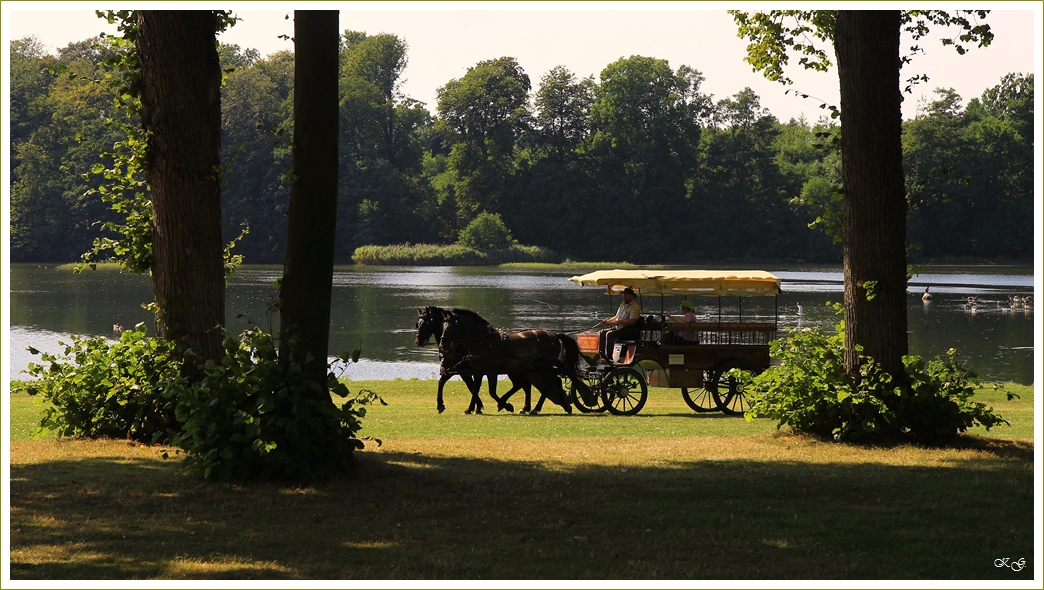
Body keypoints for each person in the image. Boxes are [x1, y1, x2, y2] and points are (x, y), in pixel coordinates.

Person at [599, 287, 642, 361]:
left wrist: (620, 322)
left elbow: (633, 321)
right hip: (619, 328)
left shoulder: (634, 307)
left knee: (610, 334)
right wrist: (608, 321)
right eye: (624, 295)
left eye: (625, 296)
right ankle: (602, 356)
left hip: (628, 330)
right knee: (602, 332)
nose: (624, 297)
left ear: (631, 296)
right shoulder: (622, 305)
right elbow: (617, 316)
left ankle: (609, 357)